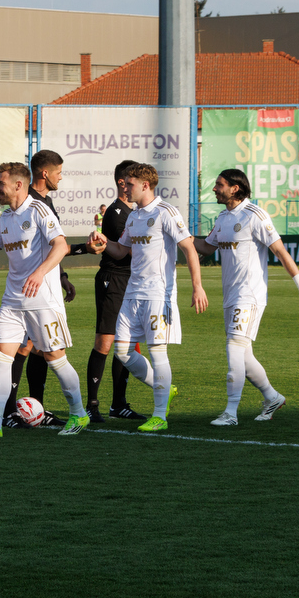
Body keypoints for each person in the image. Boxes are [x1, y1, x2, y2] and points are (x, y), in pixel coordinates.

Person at [0, 162, 90, 437]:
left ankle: (79, 414)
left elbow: (61, 245)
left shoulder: (38, 210)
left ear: (18, 185)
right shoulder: (5, 218)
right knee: (2, 357)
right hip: (12, 301)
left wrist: (39, 273)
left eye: (1, 183)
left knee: (54, 357)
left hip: (43, 300)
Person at [87, 162, 208, 433]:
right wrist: (103, 243)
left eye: (129, 184)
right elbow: (121, 251)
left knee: (157, 351)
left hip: (158, 294)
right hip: (133, 292)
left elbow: (189, 248)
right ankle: (163, 387)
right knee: (122, 351)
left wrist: (197, 286)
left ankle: (159, 415)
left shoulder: (166, 212)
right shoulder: (134, 215)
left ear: (145, 185)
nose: (125, 188)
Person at [195, 168, 299, 424]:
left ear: (234, 188)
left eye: (219, 185)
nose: (214, 189)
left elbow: (281, 252)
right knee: (244, 355)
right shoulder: (223, 218)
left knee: (234, 348)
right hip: (230, 295)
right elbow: (205, 247)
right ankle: (272, 397)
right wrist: (177, 235)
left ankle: (230, 413)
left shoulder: (255, 216)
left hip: (249, 295)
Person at [0, 149, 91, 427]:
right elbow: (54, 247)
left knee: (45, 353)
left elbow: (57, 246)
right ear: (44, 173)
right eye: (58, 172)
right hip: (22, 298)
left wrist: (57, 275)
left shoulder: (42, 204)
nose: (60, 177)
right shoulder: (22, 209)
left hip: (41, 296)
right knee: (15, 351)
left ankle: (52, 410)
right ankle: (6, 414)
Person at [86, 161, 141, 422]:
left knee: (125, 343)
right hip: (113, 279)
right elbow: (128, 248)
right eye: (132, 180)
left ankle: (118, 404)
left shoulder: (134, 211)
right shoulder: (117, 212)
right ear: (122, 183)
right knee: (105, 341)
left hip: (130, 280)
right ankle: (92, 405)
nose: (135, 184)